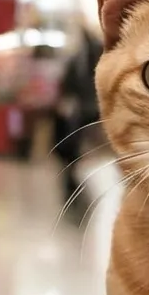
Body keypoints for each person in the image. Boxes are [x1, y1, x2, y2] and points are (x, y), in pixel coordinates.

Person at [53, 26, 103, 199]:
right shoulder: (77, 59)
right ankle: (74, 184)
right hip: (83, 111)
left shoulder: (95, 56)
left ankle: (78, 183)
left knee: (87, 150)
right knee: (75, 148)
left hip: (93, 111)